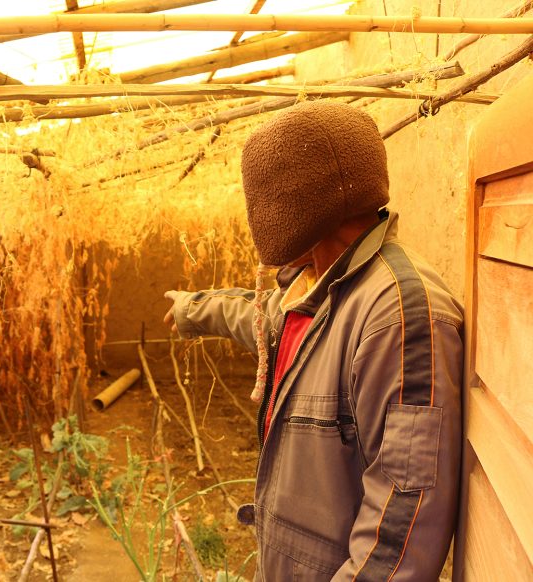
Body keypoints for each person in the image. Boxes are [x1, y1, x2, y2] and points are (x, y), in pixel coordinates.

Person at [163, 101, 462, 581]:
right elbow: (261, 320)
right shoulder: (321, 287)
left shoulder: (399, 315)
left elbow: (401, 528)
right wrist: (192, 309)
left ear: (299, 206)